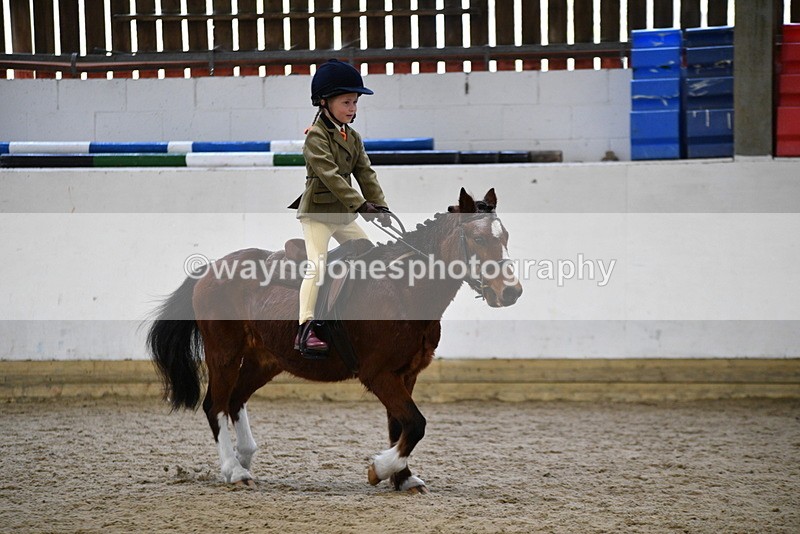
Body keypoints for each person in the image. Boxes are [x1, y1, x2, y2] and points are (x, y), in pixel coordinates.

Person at [290, 59, 391, 356]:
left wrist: (381, 206)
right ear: (324, 102)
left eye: (355, 103)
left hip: (343, 214)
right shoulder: (316, 137)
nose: (352, 108)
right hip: (319, 213)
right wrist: (361, 205)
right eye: (346, 102)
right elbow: (331, 176)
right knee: (317, 267)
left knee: (370, 257)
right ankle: (306, 328)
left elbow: (365, 173)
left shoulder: (353, 137)